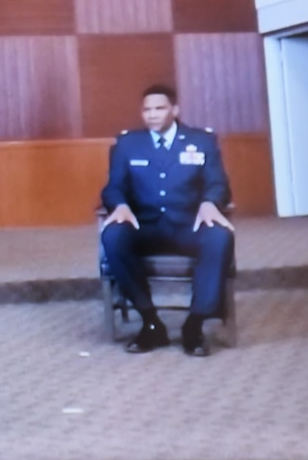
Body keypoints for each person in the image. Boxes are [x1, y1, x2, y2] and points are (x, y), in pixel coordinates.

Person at [98, 82, 234, 358]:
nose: (152, 115)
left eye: (159, 108)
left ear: (174, 109)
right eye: (147, 110)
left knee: (220, 236)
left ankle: (194, 325)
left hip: (187, 226)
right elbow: (113, 187)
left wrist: (210, 202)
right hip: (145, 227)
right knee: (112, 235)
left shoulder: (202, 141)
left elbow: (217, 183)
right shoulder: (127, 144)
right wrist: (120, 205)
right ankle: (150, 322)